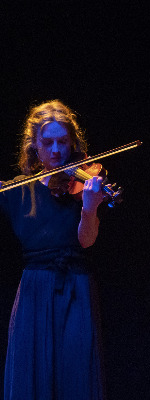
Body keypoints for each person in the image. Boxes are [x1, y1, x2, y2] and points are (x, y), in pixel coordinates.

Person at [0, 100, 106, 399]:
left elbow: (86, 241)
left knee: (76, 376)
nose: (57, 150)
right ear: (34, 144)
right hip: (34, 290)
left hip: (75, 287)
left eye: (63, 142)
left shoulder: (84, 185)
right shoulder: (17, 190)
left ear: (73, 143)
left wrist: (89, 208)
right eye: (48, 143)